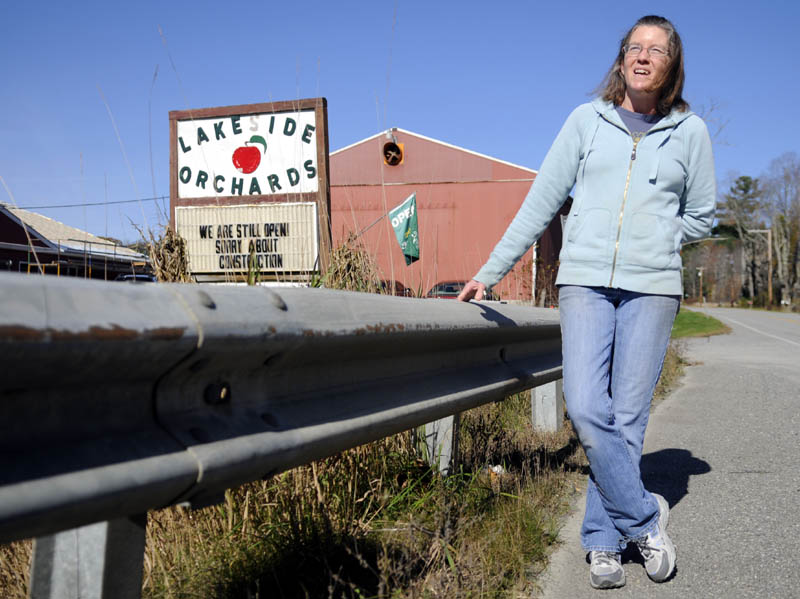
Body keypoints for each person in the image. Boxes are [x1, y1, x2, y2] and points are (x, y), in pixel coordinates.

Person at [457, 15, 715, 590]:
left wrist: (662, 237)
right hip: (585, 282)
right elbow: (541, 200)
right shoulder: (585, 121)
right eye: (634, 47)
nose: (643, 57)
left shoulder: (689, 131)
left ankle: (601, 541)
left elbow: (703, 213)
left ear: (672, 64)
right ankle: (645, 518)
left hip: (653, 288)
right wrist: (490, 271)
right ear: (622, 57)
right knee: (585, 405)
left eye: (657, 50)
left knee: (627, 417)